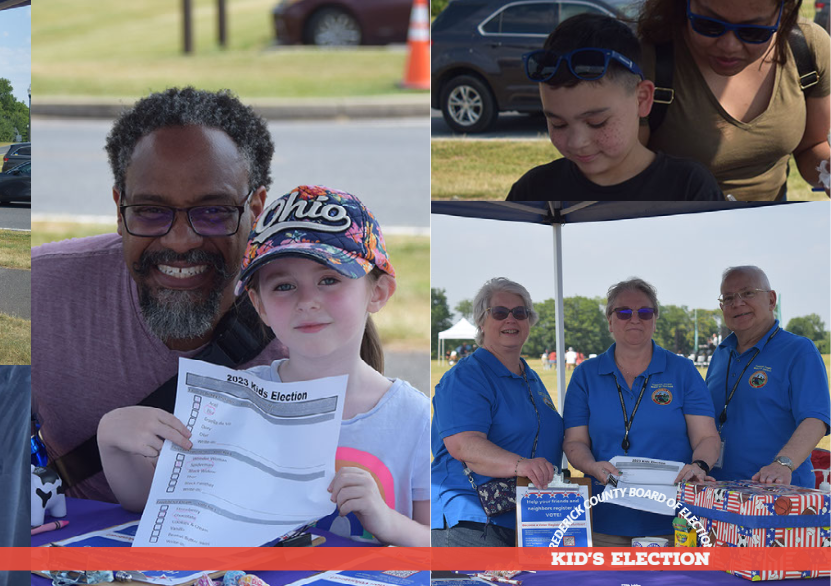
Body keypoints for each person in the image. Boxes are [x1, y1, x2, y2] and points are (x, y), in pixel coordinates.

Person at [97, 186, 430, 546]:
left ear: (378, 292)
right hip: (249, 583)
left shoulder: (412, 417)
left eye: (329, 280)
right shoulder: (234, 401)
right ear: (259, 306)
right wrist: (112, 440)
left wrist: (387, 521)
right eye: (284, 286)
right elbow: (152, 505)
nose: (307, 301)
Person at [29, 87, 286, 503]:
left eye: (214, 211)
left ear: (255, 209)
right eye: (151, 211)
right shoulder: (44, 291)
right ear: (119, 208)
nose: (181, 241)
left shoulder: (309, 316)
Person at [562, 278, 719, 546]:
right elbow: (574, 442)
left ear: (655, 320)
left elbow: (707, 437)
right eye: (624, 312)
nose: (635, 319)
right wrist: (591, 466)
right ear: (610, 321)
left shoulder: (682, 371)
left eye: (644, 312)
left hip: (675, 524)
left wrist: (699, 466)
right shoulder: (585, 375)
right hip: (603, 522)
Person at [506, 13, 723, 201]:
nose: (577, 142)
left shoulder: (689, 189)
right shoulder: (532, 192)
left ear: (642, 99)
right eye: (558, 124)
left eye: (596, 122)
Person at [638, 0, 830, 201]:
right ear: (685, 1)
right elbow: (622, 175)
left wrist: (827, 170)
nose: (729, 46)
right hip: (675, 220)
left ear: (783, 13)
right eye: (709, 25)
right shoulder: (646, 61)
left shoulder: (807, 47)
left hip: (771, 219)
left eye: (753, 32)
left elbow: (811, 147)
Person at [431, 278, 564, 547]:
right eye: (500, 313)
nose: (511, 319)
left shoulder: (531, 378)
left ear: (529, 320)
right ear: (481, 321)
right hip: (471, 520)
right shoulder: (467, 377)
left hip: (529, 520)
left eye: (520, 313)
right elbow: (464, 445)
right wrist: (521, 465)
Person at [706, 266, 830, 486]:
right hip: (718, 490)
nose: (737, 303)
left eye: (748, 293)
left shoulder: (799, 351)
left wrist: (783, 464)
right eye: (728, 298)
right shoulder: (721, 354)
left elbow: (816, 419)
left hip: (777, 492)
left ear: (771, 300)